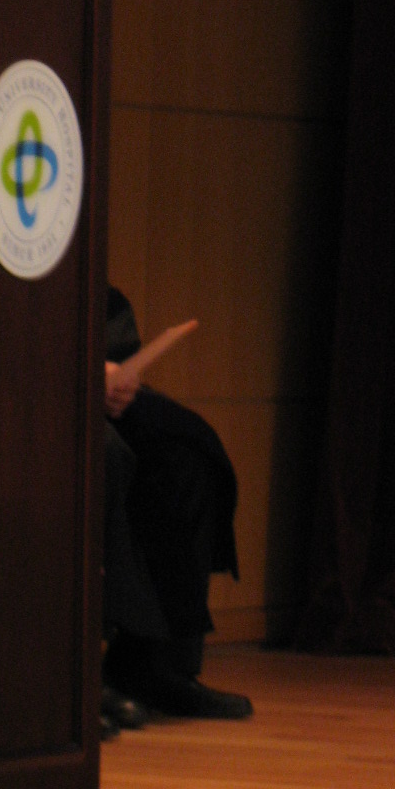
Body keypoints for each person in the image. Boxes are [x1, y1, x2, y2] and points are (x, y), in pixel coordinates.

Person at [100, 286, 253, 729]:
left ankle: (158, 664)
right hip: (23, 381)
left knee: (188, 448)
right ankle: (75, 674)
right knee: (106, 456)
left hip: (94, 376)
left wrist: (114, 369)